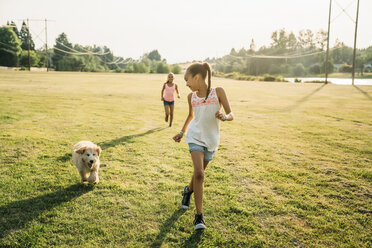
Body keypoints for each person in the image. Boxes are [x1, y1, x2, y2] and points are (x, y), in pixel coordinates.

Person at [173, 62, 234, 230]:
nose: (186, 84)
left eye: (187, 80)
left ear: (197, 77)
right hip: (195, 137)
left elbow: (231, 114)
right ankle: (199, 217)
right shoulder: (191, 97)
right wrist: (182, 132)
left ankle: (188, 190)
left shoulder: (218, 92)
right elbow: (192, 116)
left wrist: (224, 117)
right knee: (199, 173)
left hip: (211, 140)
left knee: (198, 175)